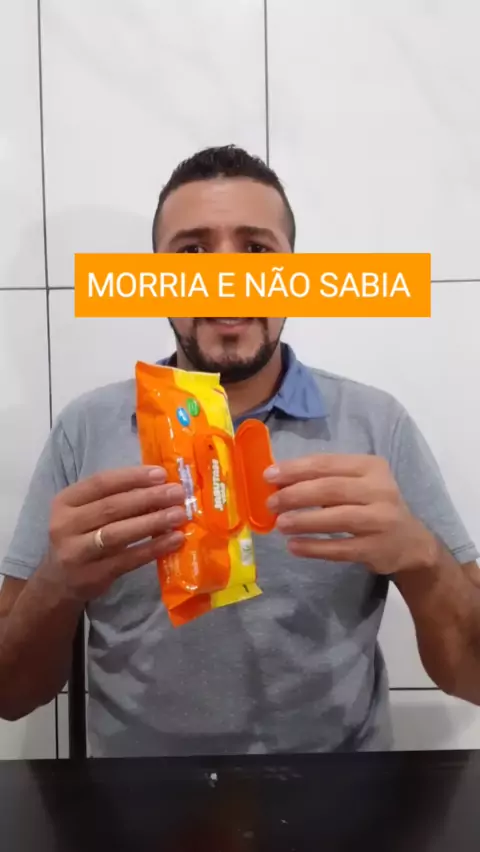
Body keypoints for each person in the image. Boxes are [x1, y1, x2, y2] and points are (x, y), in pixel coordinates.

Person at [1, 145, 480, 757]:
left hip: (337, 797)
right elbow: (9, 696)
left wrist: (424, 560)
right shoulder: (86, 430)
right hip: (136, 801)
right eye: (191, 254)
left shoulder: (376, 425)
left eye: (256, 251)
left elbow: (472, 676)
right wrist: (55, 586)